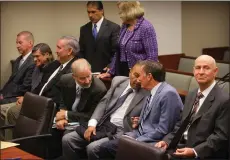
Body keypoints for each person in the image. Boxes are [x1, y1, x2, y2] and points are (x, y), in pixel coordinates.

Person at [62, 63, 150, 160]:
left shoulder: (147, 92)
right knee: (68, 139)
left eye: (142, 77)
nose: (138, 80)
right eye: (136, 75)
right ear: (130, 72)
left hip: (122, 130)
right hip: (104, 124)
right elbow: (103, 103)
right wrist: (92, 124)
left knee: (93, 148)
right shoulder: (118, 81)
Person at [99, 60, 183, 159]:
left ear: (149, 76)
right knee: (106, 146)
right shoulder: (151, 90)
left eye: (140, 75)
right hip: (139, 134)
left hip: (152, 140)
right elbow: (154, 118)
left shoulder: (168, 94)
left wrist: (137, 140)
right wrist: (140, 121)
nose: (138, 79)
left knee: (107, 148)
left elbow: (163, 130)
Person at [155, 55, 229, 159]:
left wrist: (195, 151)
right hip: (179, 147)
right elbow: (180, 124)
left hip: (202, 154)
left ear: (215, 71)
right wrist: (166, 141)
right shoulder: (192, 94)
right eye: (198, 68)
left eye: (206, 68)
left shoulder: (224, 100)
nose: (201, 72)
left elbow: (220, 137)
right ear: (194, 71)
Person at [98, 1, 158, 78]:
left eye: (121, 12)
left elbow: (152, 58)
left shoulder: (146, 27)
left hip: (138, 75)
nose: (119, 15)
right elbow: (118, 52)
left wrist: (142, 76)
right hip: (121, 72)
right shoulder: (124, 26)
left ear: (128, 12)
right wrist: (110, 72)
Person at [54, 58, 107, 130]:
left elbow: (90, 115)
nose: (87, 81)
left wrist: (66, 115)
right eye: (82, 78)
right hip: (66, 117)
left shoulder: (99, 90)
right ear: (74, 76)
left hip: (83, 122)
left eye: (88, 76)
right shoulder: (65, 80)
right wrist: (62, 116)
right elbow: (62, 100)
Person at [79, 1, 120, 73]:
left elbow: (116, 52)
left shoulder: (113, 28)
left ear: (101, 11)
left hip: (106, 71)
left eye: (93, 12)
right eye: (88, 12)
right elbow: (81, 51)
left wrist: (111, 66)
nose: (90, 15)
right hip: (88, 72)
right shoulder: (84, 29)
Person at [0, 31, 35, 104]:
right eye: (17, 43)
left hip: (18, 97)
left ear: (30, 43)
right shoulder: (18, 60)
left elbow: (26, 87)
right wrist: (2, 93)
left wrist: (4, 96)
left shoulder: (34, 61)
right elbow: (11, 80)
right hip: (8, 94)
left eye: (20, 42)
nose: (17, 46)